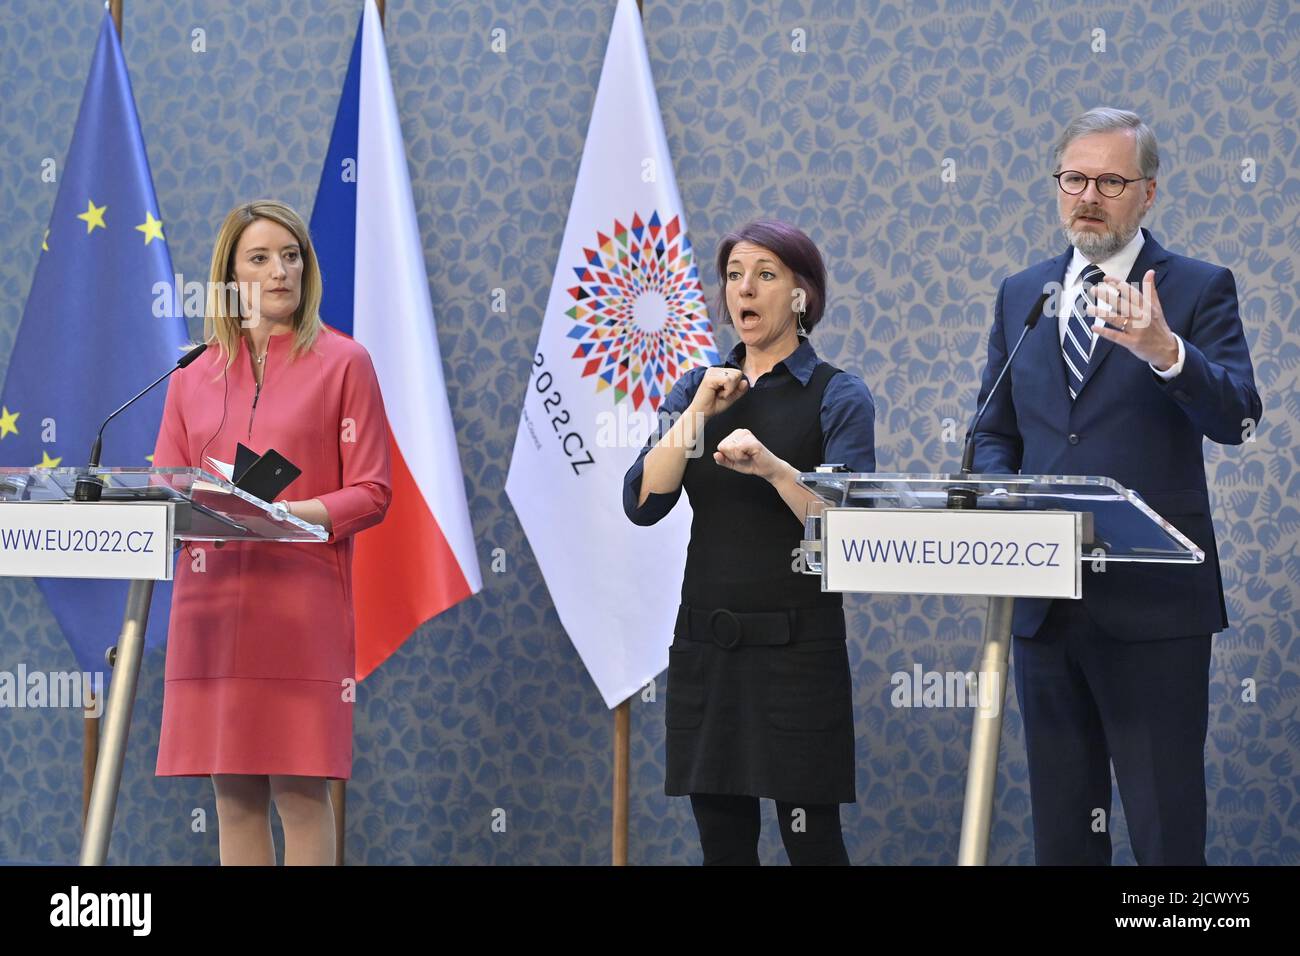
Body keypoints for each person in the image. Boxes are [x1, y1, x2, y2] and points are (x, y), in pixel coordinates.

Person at [971, 108, 1262, 864]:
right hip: (1044, 605)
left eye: (1109, 181)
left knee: (1165, 837)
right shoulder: (1022, 294)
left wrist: (1168, 351)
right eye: (1074, 179)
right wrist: (1005, 495)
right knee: (1064, 837)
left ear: (1148, 194)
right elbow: (992, 432)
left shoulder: (1197, 289)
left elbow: (1238, 418)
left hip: (1154, 610)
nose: (1088, 197)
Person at [623, 219, 876, 865]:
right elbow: (644, 503)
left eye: (766, 274)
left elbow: (843, 531)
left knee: (811, 842)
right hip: (711, 642)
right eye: (735, 274)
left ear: (801, 295)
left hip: (798, 650)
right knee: (723, 845)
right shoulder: (696, 389)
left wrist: (771, 467)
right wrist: (697, 414)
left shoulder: (837, 395)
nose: (746, 288)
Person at [152, 199, 392, 865]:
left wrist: (290, 516)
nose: (280, 271)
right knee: (232, 797)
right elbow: (165, 485)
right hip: (212, 605)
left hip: (299, 607)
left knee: (301, 794)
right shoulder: (191, 373)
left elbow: (373, 491)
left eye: (291, 257)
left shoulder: (345, 362)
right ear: (230, 276)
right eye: (260, 258)